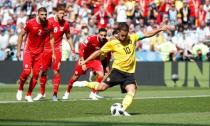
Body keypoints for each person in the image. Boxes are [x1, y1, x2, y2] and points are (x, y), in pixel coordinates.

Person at [79, 23, 169, 115]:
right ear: (118, 32)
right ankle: (85, 83)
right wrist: (85, 61)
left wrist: (160, 29)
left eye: (125, 35)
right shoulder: (112, 43)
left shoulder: (132, 38)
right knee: (101, 88)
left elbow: (147, 34)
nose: (123, 37)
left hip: (129, 73)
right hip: (117, 71)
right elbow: (98, 52)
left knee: (132, 90)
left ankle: (122, 109)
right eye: (121, 35)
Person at [33, 5, 76, 102]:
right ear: (56, 12)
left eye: (63, 14)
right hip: (45, 49)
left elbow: (68, 37)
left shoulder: (65, 24)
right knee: (43, 71)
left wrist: (73, 49)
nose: (62, 15)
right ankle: (42, 93)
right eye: (60, 13)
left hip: (57, 50)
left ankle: (55, 94)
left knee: (56, 71)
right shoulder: (49, 21)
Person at [16, 7, 55, 102]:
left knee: (36, 75)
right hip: (28, 51)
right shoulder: (30, 23)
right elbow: (21, 35)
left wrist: (53, 52)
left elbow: (51, 38)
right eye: (42, 14)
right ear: (38, 14)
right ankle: (20, 88)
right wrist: (18, 50)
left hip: (40, 53)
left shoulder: (49, 25)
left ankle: (28, 94)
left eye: (45, 14)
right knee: (26, 71)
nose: (44, 16)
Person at [62, 28, 110, 100]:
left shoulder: (106, 41)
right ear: (98, 34)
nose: (103, 37)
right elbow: (81, 48)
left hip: (95, 60)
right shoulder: (91, 38)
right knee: (75, 77)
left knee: (101, 75)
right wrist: (82, 61)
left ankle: (93, 93)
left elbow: (108, 53)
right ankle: (67, 93)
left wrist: (107, 65)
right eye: (101, 35)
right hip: (84, 59)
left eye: (104, 35)